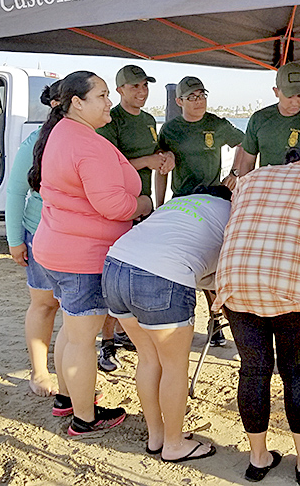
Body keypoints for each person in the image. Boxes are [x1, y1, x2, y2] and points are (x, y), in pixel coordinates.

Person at [215, 147, 300, 485]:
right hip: (294, 284)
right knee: (297, 370)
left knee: (253, 369)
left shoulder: (250, 179)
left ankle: (258, 458)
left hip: (237, 279)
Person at [29, 70, 153, 437]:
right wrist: (144, 202)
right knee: (83, 338)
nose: (109, 101)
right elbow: (113, 204)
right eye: (101, 95)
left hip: (57, 246)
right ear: (77, 103)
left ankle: (67, 398)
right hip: (82, 255)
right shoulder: (84, 142)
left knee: (71, 329)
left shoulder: (62, 133)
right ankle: (85, 418)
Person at [102, 186, 231, 464]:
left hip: (115, 266)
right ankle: (174, 444)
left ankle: (156, 437)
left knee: (149, 359)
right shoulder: (231, 212)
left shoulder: (177, 205)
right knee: (174, 366)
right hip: (161, 276)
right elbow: (226, 271)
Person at [96, 64, 176, 373]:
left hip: (144, 207)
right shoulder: (110, 121)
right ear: (119, 91)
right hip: (117, 207)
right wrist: (146, 160)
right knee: (111, 279)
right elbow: (107, 166)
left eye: (144, 86)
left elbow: (157, 158)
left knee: (134, 276)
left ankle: (121, 333)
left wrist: (165, 160)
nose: (141, 92)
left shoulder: (147, 120)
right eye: (134, 88)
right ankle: (106, 344)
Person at [156, 75, 244, 347]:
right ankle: (199, 319)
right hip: (183, 202)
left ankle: (216, 317)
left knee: (216, 261)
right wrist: (160, 206)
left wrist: (235, 173)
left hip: (215, 200)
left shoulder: (216, 124)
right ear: (179, 101)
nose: (199, 101)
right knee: (189, 264)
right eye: (192, 97)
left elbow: (246, 144)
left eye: (202, 95)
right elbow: (161, 169)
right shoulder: (170, 130)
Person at [6, 80, 63, 397]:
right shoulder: (34, 142)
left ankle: (71, 377)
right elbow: (16, 192)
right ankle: (39, 372)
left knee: (76, 313)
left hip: (78, 237)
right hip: (38, 232)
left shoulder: (93, 137)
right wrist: (15, 239)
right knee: (44, 305)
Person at [231, 62, 300, 177]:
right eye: (289, 96)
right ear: (276, 91)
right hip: (265, 189)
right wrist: (243, 189)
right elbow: (248, 162)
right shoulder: (259, 119)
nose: (295, 102)